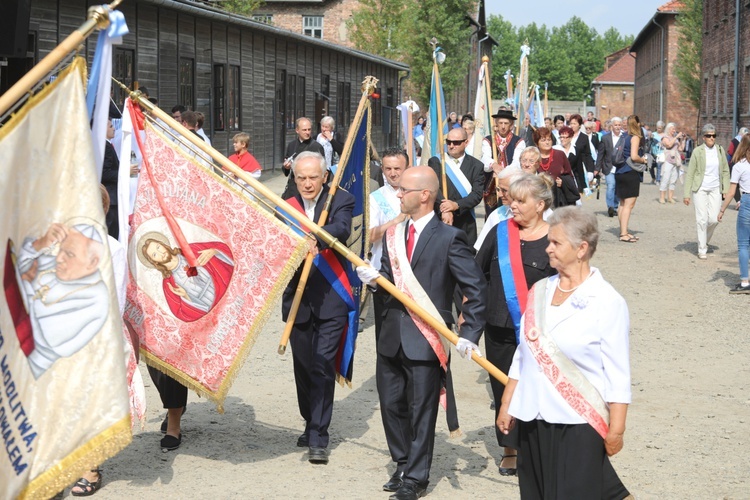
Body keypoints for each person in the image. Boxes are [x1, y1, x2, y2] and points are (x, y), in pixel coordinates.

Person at [356, 166, 486, 500]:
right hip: (390, 333)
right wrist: (374, 280)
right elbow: (389, 278)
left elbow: (474, 288)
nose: (397, 194)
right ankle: (401, 463)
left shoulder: (450, 237)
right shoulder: (392, 235)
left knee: (421, 408)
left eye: (403, 190)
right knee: (391, 404)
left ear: (424, 195)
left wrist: (469, 332)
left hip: (427, 336)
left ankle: (415, 477)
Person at [497, 206, 632, 500]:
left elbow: (618, 371)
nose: (548, 248)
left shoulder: (607, 301)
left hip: (578, 421)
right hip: (533, 416)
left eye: (556, 243)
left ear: (581, 249)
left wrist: (617, 429)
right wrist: (508, 401)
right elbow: (525, 352)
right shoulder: (540, 290)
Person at [475, 173, 556, 477]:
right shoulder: (499, 232)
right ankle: (509, 448)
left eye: (521, 201)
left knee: (540, 390)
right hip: (498, 327)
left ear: (540, 205)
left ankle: (538, 448)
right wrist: (470, 310)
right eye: (512, 199)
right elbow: (476, 273)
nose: (513, 205)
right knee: (502, 387)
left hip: (540, 331)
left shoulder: (556, 238)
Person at [282, 151, 355, 464]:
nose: (308, 183)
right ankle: (310, 419)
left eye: (313, 177)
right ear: (295, 178)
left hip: (331, 298)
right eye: (301, 178)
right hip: (297, 301)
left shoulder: (340, 200)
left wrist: (319, 238)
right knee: (304, 367)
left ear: (325, 176)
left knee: (323, 364)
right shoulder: (286, 205)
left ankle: (319, 436)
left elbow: (342, 227)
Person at [13, 223, 109, 379]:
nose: (59, 258)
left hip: (26, 370)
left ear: (92, 262)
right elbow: (16, 262)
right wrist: (39, 245)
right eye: (61, 249)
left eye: (69, 254)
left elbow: (40, 332)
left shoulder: (96, 301)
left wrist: (24, 283)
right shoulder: (58, 265)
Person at [138, 235, 235, 322]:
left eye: (158, 247)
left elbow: (225, 249)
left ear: (163, 245)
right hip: (214, 314)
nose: (160, 253)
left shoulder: (190, 249)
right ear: (154, 262)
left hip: (229, 293)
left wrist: (214, 252)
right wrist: (185, 296)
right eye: (155, 254)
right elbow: (182, 314)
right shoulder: (169, 284)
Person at [368, 147, 409, 341]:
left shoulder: (418, 194)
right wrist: (396, 221)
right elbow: (369, 236)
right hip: (385, 271)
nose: (392, 173)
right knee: (385, 333)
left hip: (413, 270)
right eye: (388, 169)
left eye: (397, 168)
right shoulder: (375, 198)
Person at [428, 127, 484, 245]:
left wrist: (456, 205)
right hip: (441, 218)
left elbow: (477, 194)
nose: (451, 145)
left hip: (465, 221)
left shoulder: (476, 165)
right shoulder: (436, 161)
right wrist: (444, 209)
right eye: (448, 142)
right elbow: (433, 188)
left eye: (456, 142)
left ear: (466, 142)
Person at [683, 124, 730, 259]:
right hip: (700, 188)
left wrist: (725, 189)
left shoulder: (720, 150)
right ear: (703, 137)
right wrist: (687, 194)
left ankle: (704, 240)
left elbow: (726, 171)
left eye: (714, 135)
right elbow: (690, 173)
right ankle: (702, 248)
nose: (712, 138)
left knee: (714, 219)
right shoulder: (697, 151)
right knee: (701, 219)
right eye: (709, 136)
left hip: (715, 188)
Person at [719, 135, 750, 292]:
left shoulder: (739, 166)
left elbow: (731, 193)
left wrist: (722, 209)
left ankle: (745, 282)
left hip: (747, 201)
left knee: (744, 244)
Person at [483, 108, 526, 218]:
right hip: (491, 186)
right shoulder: (488, 140)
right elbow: (484, 160)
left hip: (511, 185)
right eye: (500, 123)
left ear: (511, 125)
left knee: (510, 214)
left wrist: (502, 172)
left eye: (506, 123)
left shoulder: (519, 142)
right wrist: (494, 165)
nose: (503, 126)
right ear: (496, 123)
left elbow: (517, 163)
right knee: (491, 215)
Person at [474, 168, 525, 251]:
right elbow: (482, 250)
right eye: (498, 189)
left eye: (504, 190)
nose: (500, 195)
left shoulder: (542, 214)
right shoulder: (496, 215)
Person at [616, 115, 648, 243]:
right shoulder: (635, 137)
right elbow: (634, 156)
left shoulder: (624, 136)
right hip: (630, 172)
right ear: (638, 124)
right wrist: (643, 160)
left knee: (622, 204)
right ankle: (624, 233)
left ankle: (623, 230)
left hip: (620, 171)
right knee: (629, 205)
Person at [281, 117, 326, 199]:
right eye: (304, 130)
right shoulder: (292, 145)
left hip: (308, 189)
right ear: (297, 130)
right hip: (292, 188)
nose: (307, 132)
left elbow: (322, 171)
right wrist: (286, 167)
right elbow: (286, 171)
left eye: (309, 129)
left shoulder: (317, 147)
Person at [534, 127, 577, 207]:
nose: (547, 142)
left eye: (549, 139)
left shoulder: (560, 154)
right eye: (543, 140)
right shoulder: (533, 156)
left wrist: (563, 182)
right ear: (537, 143)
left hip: (558, 199)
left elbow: (570, 176)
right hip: (538, 199)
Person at [596, 116, 625, 217]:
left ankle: (616, 206)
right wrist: (597, 168)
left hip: (621, 167)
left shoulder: (624, 137)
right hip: (609, 166)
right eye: (616, 125)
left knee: (618, 187)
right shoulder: (605, 138)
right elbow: (601, 154)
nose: (617, 127)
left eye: (619, 125)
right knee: (611, 186)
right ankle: (610, 207)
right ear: (612, 126)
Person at [101, 118, 120, 239]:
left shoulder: (107, 145)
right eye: (110, 126)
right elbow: (105, 173)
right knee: (110, 233)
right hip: (110, 197)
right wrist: (123, 172)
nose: (114, 128)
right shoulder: (105, 147)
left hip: (111, 197)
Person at [567, 114, 595, 192]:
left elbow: (588, 154)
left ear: (579, 125)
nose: (572, 126)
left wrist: (590, 171)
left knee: (578, 191)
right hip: (568, 167)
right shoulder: (566, 136)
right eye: (571, 123)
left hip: (580, 169)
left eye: (574, 124)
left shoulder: (584, 137)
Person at [659, 123, 684, 204]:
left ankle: (670, 197)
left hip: (675, 161)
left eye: (674, 129)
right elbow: (669, 145)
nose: (674, 131)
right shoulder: (665, 138)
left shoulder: (675, 139)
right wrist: (676, 137)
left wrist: (683, 140)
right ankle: (662, 197)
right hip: (668, 160)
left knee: (673, 179)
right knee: (665, 179)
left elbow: (681, 149)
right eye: (672, 129)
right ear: (668, 129)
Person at [650, 121, 665, 185]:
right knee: (650, 166)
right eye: (657, 128)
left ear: (663, 128)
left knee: (659, 166)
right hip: (653, 153)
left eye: (660, 128)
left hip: (661, 152)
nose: (658, 129)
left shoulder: (665, 135)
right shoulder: (653, 134)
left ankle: (658, 179)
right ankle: (653, 177)